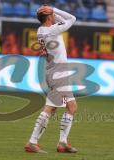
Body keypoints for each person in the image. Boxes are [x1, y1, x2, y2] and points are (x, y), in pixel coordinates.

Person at [24, 5, 77, 153]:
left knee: (71, 107)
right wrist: (54, 9)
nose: (55, 17)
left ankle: (62, 143)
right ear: (49, 17)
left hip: (53, 71)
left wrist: (50, 13)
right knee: (50, 108)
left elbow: (57, 21)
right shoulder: (52, 30)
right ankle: (32, 142)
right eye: (52, 15)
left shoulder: (42, 30)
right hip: (58, 74)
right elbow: (72, 18)